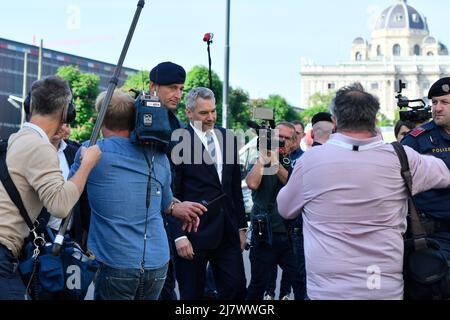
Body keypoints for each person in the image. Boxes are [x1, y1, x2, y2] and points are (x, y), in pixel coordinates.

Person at [277, 83, 450, 300]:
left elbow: (285, 209)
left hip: (327, 291)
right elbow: (444, 174)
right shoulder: (402, 158)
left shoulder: (310, 161)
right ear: (375, 120)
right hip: (382, 288)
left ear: (335, 121)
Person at [69, 90, 206, 300]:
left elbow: (67, 195)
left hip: (114, 260)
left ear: (102, 118)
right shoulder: (158, 155)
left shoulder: (90, 152)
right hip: (157, 262)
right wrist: (176, 207)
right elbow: (166, 203)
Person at [0, 75, 101, 300]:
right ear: (66, 112)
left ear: (31, 105)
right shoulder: (40, 146)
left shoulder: (19, 138)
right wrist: (86, 165)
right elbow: (60, 206)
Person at [169, 87, 247, 300]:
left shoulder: (227, 137)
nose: (211, 117)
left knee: (237, 290)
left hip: (227, 231)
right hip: (192, 232)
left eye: (213, 111)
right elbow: (171, 192)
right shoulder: (177, 141)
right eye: (204, 113)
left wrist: (241, 227)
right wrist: (178, 236)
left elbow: (233, 189)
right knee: (192, 295)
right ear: (189, 112)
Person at [245, 122, 304, 300]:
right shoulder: (262, 159)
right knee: (258, 284)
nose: (282, 141)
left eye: (286, 138)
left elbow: (293, 186)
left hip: (290, 236)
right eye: (279, 137)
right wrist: (264, 157)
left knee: (300, 283)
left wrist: (276, 163)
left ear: (294, 141)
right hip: (264, 235)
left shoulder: (299, 162)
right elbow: (252, 183)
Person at [149, 61, 187, 300]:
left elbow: (177, 179)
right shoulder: (137, 116)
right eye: (172, 87)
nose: (178, 95)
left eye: (181, 88)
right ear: (154, 87)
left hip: (169, 219)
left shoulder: (176, 123)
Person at [402, 77, 450, 260]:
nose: (437, 108)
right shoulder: (416, 140)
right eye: (434, 102)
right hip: (435, 237)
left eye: (444, 102)